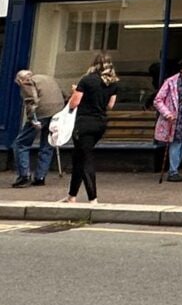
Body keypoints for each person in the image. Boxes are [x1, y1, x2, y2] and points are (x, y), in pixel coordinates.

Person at [65, 53, 118, 204]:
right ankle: (71, 196)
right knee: (79, 157)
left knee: (85, 158)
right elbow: (110, 105)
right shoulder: (113, 83)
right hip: (100, 123)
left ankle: (93, 198)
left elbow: (74, 103)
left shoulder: (87, 80)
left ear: (94, 64)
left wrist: (75, 91)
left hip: (84, 123)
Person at [11, 70, 65, 188]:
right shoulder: (48, 78)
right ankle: (40, 177)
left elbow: (31, 102)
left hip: (42, 113)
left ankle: (24, 176)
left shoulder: (27, 82)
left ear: (20, 80)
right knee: (47, 145)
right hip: (57, 113)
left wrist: (32, 119)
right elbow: (63, 94)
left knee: (21, 144)